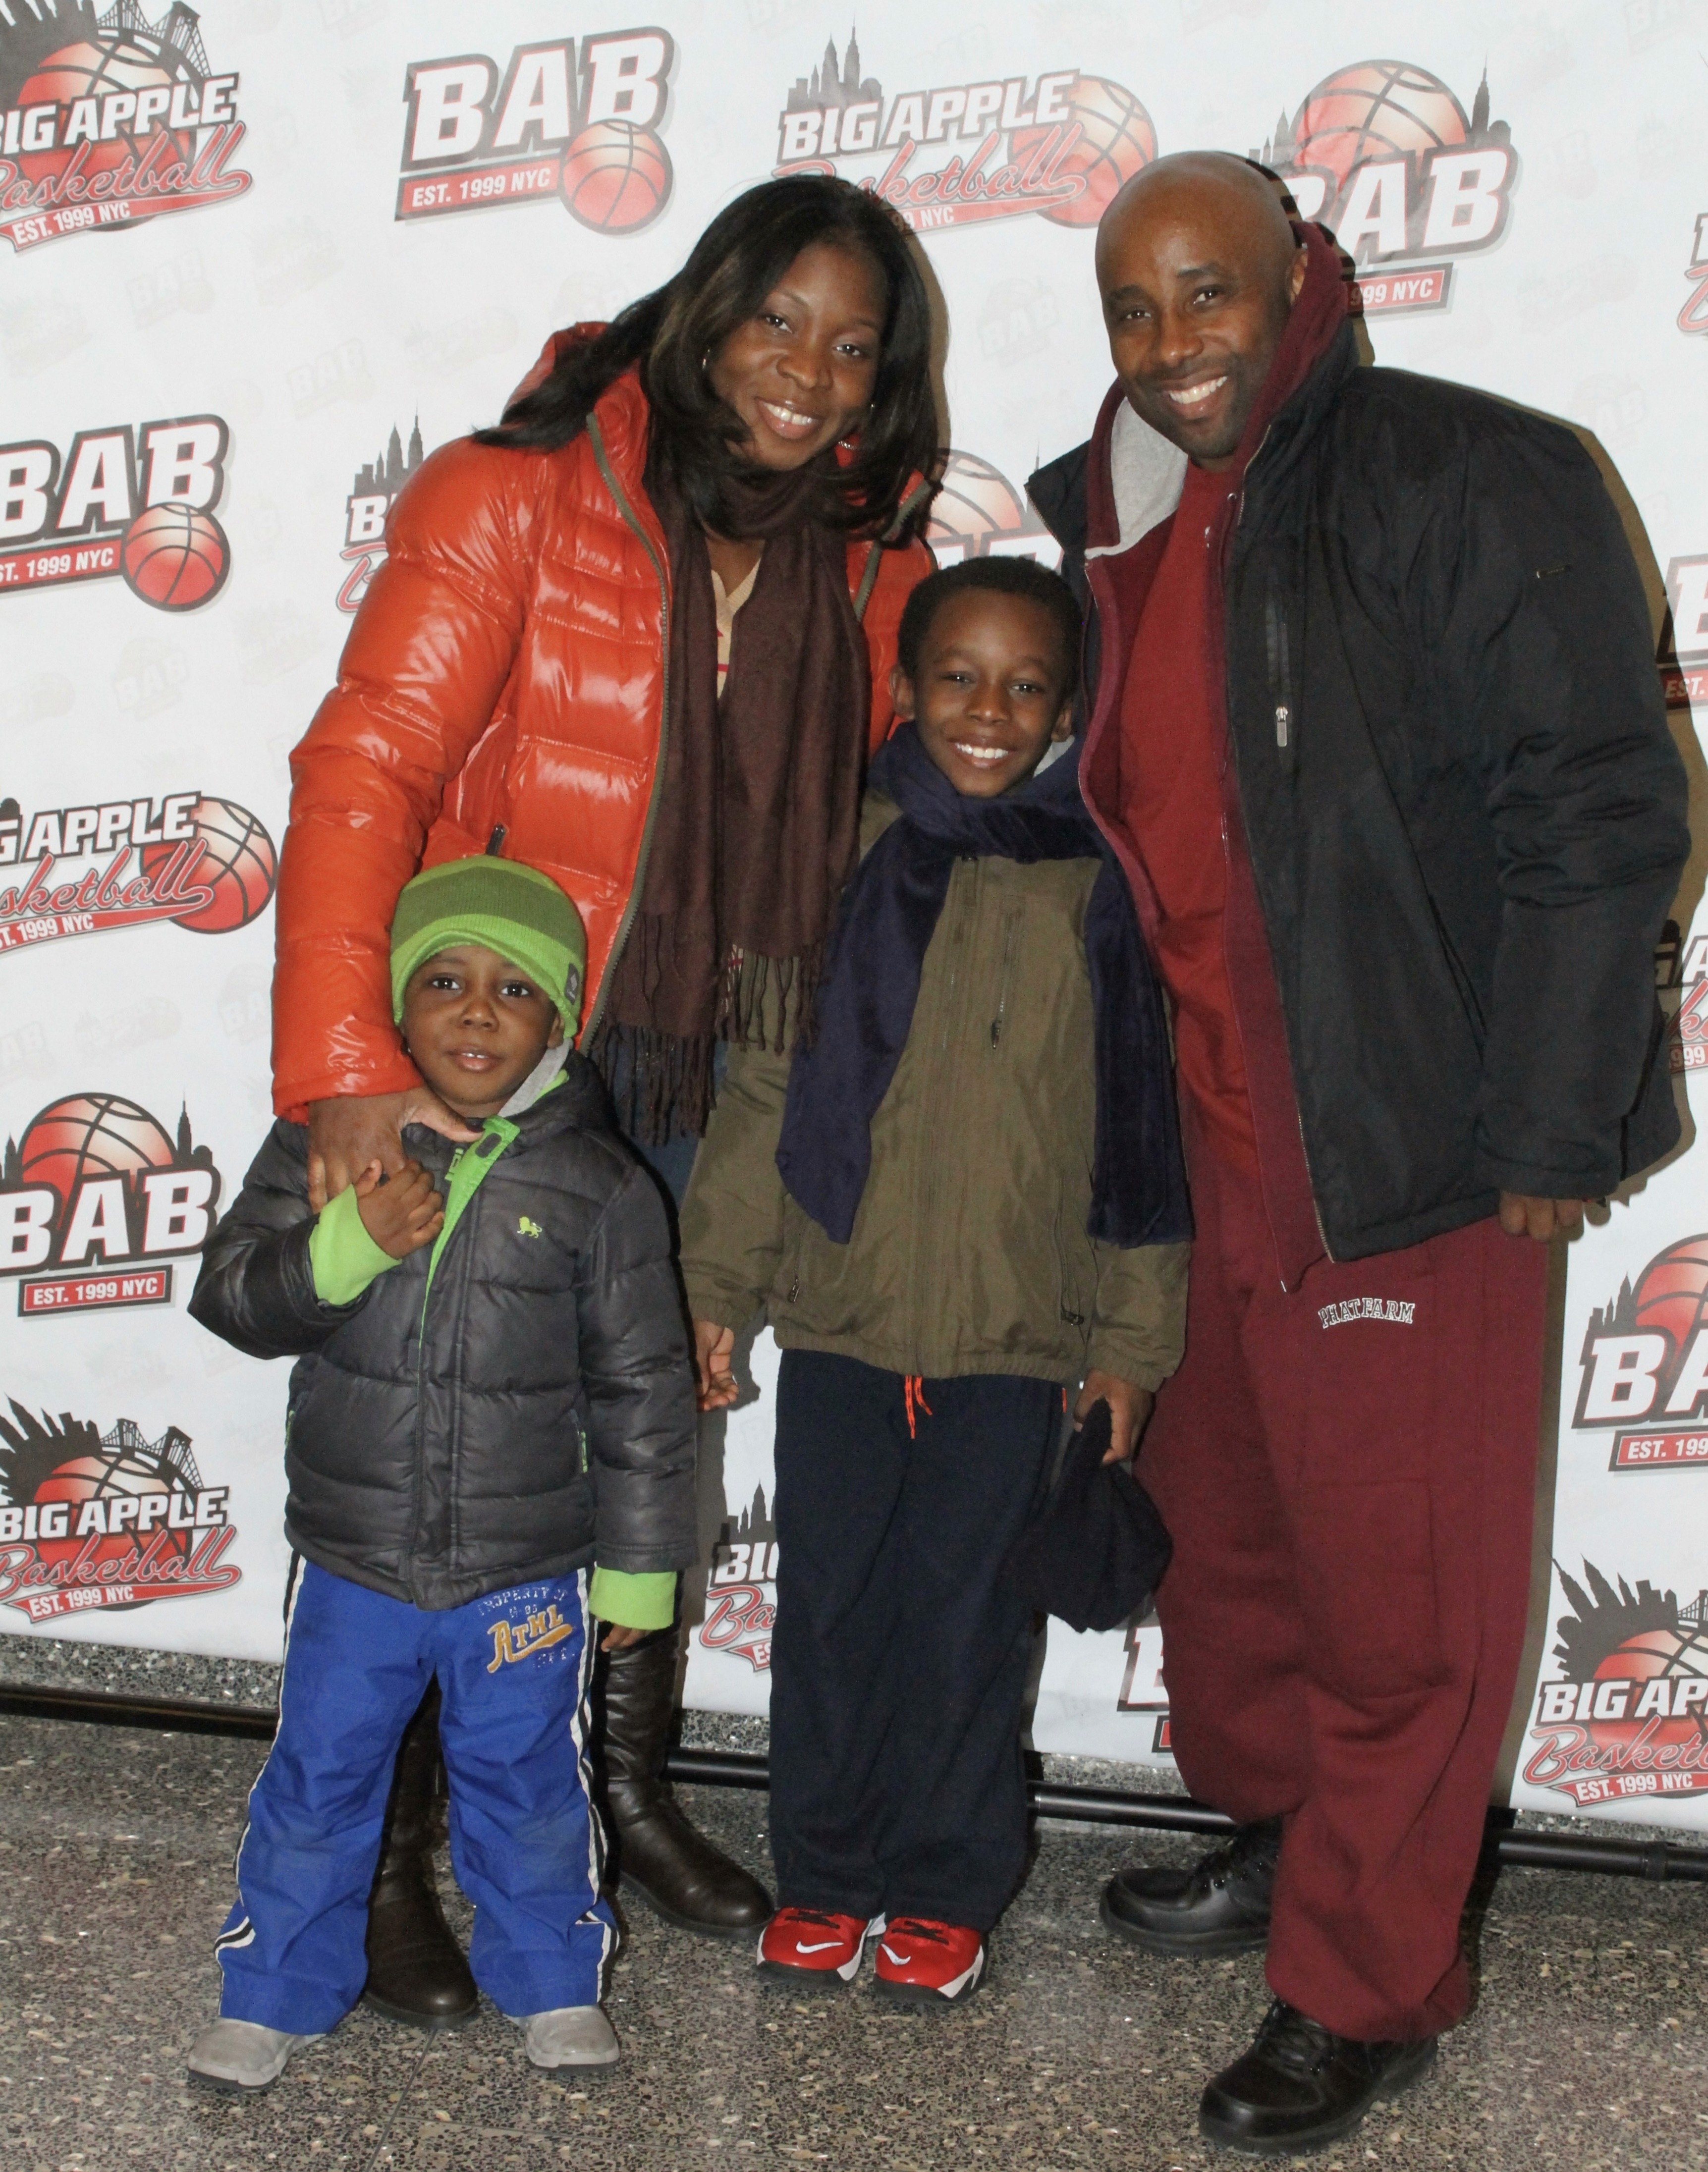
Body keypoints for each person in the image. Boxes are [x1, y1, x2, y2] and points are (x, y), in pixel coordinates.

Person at [1027, 153, 1689, 2154]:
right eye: (1134, 311)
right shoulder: (1102, 524)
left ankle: (1367, 1979)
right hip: (1198, 1135)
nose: (1171, 348)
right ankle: (1285, 1837)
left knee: (1401, 1595)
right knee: (1232, 1548)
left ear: (1301, 279)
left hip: (1417, 1148)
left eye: (1207, 296)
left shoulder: (1472, 473)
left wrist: (1555, 1122)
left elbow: (1600, 808)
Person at [269, 174, 939, 2011]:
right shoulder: (513, 496)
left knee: (654, 1442)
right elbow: (366, 771)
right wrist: (345, 1072)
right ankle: (400, 1851)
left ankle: (619, 1783)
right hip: (489, 1067)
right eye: (777, 321)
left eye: (850, 346)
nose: (805, 372)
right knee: (450, 1473)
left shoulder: (877, 573)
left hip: (714, 1076)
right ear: (707, 310)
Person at [678, 558, 1191, 2005]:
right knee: (829, 1608)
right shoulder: (834, 855)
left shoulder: (1103, 877)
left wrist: (1132, 1350)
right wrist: (716, 1281)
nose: (989, 709)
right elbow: (767, 1083)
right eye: (958, 675)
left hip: (1019, 1336)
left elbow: (1142, 1133)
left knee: (973, 1617)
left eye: (1027, 685)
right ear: (902, 687)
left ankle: (947, 1885)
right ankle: (828, 1871)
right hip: (842, 1313)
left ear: (1067, 705)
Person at [184, 856, 698, 2092]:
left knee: (527, 1789)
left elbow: (644, 1388)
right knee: (318, 1779)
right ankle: (272, 1989)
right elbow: (232, 1299)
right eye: (447, 979)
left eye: (516, 986)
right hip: (355, 1554)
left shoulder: (603, 1184)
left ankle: (554, 1981)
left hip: (525, 1570)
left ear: (561, 1020)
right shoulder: (331, 1137)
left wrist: (639, 1566)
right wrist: (345, 1244)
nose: (478, 1009)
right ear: (395, 1005)